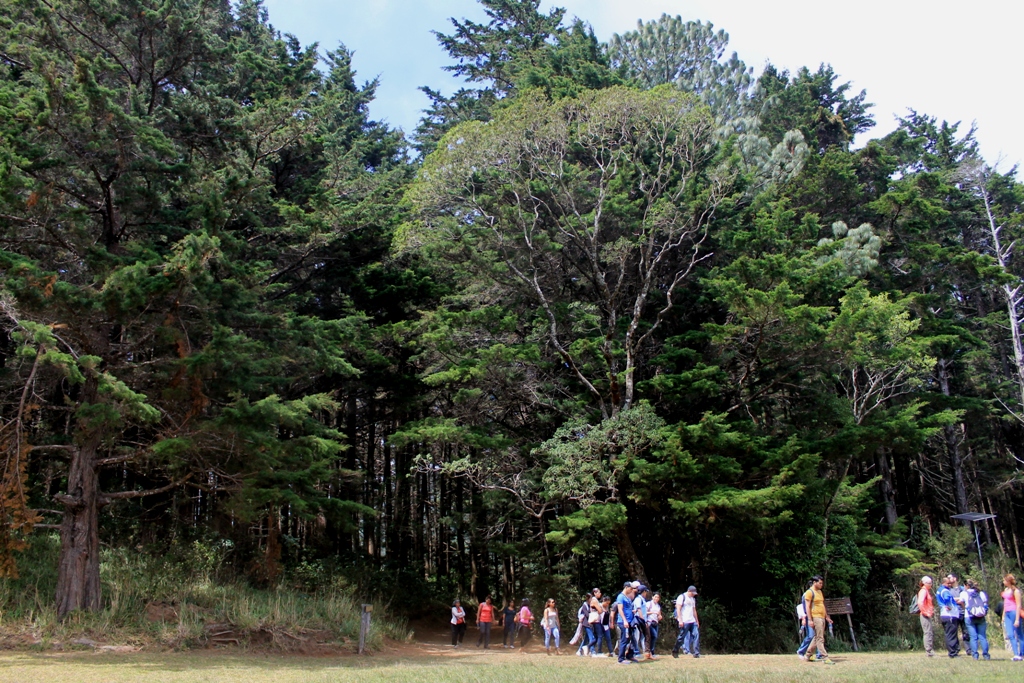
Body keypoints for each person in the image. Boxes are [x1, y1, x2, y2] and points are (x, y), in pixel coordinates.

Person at [800, 576, 834, 664]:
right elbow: (807, 607)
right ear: (814, 582)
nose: (821, 585)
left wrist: (827, 617)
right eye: (820, 583)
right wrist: (810, 620)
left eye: (822, 583)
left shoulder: (819, 592)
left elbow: (822, 605)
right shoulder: (809, 592)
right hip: (815, 617)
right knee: (820, 638)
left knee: (817, 637)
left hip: (822, 617)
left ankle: (807, 655)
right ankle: (825, 657)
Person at [963, 578, 990, 660]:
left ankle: (975, 655)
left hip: (969, 616)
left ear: (967, 585)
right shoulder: (981, 593)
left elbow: (961, 601)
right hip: (981, 616)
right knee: (982, 636)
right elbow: (985, 603)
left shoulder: (964, 593)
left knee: (973, 637)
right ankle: (986, 655)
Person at [937, 575, 963, 658]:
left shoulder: (940, 590)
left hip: (945, 615)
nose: (950, 585)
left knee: (949, 634)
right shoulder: (945, 591)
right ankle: (953, 653)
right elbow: (947, 598)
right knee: (951, 634)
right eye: (948, 583)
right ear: (944, 583)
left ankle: (952, 651)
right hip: (949, 615)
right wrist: (949, 606)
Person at [948, 574, 972, 656]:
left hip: (963, 613)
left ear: (955, 578)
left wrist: (957, 599)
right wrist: (959, 599)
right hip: (954, 614)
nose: (948, 579)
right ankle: (956, 649)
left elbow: (966, 598)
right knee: (954, 632)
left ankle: (969, 649)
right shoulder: (948, 590)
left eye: (950, 577)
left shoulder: (962, 589)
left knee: (966, 631)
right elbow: (949, 599)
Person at [673, 585, 700, 659]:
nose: (693, 594)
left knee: (696, 635)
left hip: (692, 621)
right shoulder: (682, 597)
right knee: (681, 637)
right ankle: (675, 651)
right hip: (685, 620)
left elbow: (694, 610)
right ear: (689, 591)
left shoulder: (693, 599)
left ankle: (696, 653)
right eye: (692, 593)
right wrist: (680, 620)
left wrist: (697, 621)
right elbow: (678, 609)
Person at [1001, 574, 1023, 661]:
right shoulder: (1006, 590)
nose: (1003, 582)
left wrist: (1017, 619)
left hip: (1014, 612)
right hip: (1007, 613)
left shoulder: (1016, 591)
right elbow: (1005, 603)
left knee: (1019, 634)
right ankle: (1016, 654)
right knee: (1010, 634)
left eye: (1004, 580)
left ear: (1008, 581)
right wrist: (1003, 615)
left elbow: (1018, 605)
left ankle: (1022, 654)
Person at [615, 582, 638, 664]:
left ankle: (629, 655)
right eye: (631, 589)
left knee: (631, 639)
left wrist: (633, 612)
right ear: (626, 587)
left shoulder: (627, 597)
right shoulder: (620, 597)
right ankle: (620, 659)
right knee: (624, 640)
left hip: (630, 622)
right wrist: (624, 620)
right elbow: (620, 609)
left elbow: (627, 609)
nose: (631, 590)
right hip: (623, 622)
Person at [796, 579, 815, 658]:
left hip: (816, 616)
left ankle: (819, 654)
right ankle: (801, 651)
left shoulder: (818, 593)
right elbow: (803, 607)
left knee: (819, 636)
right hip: (808, 617)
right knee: (811, 635)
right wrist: (804, 617)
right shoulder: (807, 594)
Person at [916, 576, 935, 657]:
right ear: (924, 583)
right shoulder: (923, 591)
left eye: (931, 583)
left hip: (927, 614)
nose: (931, 584)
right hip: (924, 614)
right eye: (929, 583)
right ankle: (929, 651)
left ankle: (930, 650)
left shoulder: (926, 590)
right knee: (927, 632)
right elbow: (920, 602)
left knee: (929, 632)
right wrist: (925, 612)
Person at [632, 584, 651, 659]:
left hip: (641, 619)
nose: (646, 593)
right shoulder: (638, 599)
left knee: (646, 636)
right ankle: (644, 652)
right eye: (645, 592)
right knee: (645, 635)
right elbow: (639, 610)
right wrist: (644, 620)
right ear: (643, 592)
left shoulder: (642, 599)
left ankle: (647, 653)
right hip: (639, 619)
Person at [587, 588, 604, 657]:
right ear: (594, 593)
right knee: (600, 635)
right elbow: (600, 611)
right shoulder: (594, 600)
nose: (600, 594)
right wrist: (601, 609)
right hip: (596, 620)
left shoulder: (595, 600)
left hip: (596, 620)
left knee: (596, 637)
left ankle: (588, 647)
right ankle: (599, 651)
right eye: (599, 592)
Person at [647, 592, 663, 657]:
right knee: (654, 636)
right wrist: (652, 612)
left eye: (658, 597)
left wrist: (660, 616)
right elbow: (645, 612)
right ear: (652, 597)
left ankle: (651, 652)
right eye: (655, 597)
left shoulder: (658, 606)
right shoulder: (649, 604)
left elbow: (659, 614)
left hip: (655, 622)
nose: (656, 598)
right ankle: (650, 651)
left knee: (654, 637)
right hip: (649, 622)